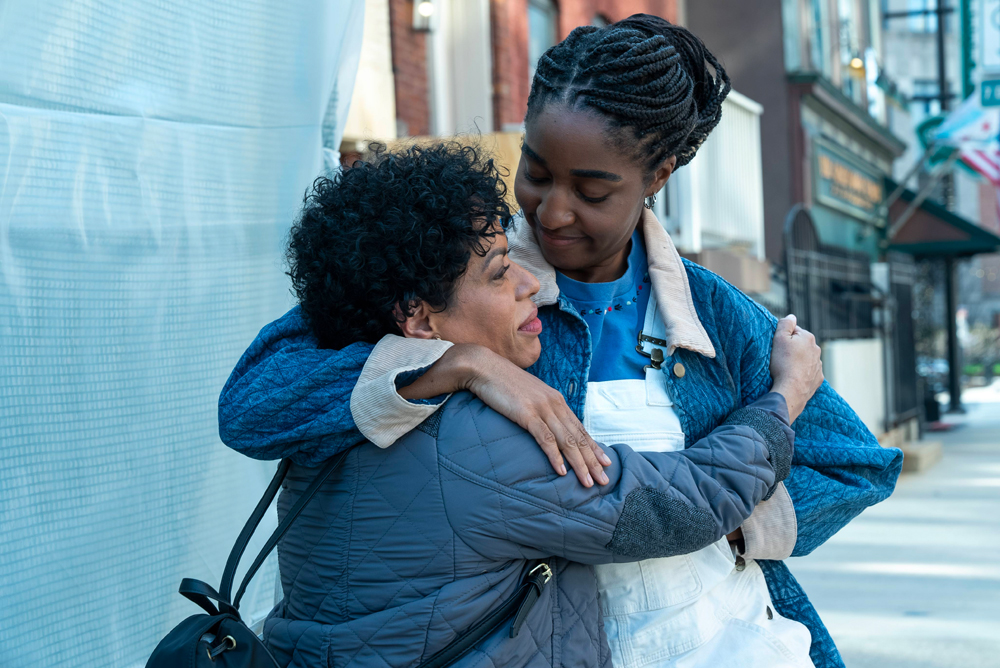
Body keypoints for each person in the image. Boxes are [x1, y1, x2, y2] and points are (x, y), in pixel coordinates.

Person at [221, 16, 902, 668]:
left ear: (656, 176)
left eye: (591, 189)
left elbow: (854, 465)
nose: (550, 211)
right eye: (537, 171)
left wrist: (735, 527)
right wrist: (457, 364)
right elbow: (257, 401)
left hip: (727, 641)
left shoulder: (719, 318)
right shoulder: (446, 268)